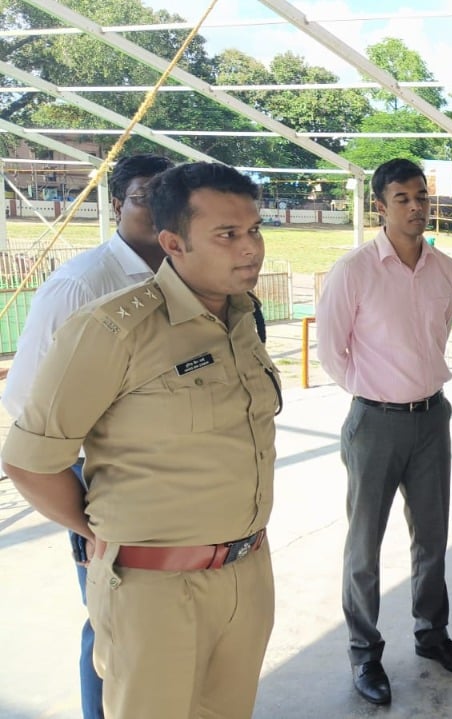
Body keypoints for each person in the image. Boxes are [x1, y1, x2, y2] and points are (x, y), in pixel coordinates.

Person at [2, 161, 280, 718]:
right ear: (173, 242)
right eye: (227, 234)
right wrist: (104, 535)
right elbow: (31, 461)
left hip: (247, 571)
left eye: (254, 230)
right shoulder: (112, 330)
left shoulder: (243, 317)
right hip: (154, 587)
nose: (250, 248)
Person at [1, 153, 173, 719]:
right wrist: (82, 506)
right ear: (118, 205)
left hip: (163, 473)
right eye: (145, 197)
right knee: (110, 622)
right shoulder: (81, 285)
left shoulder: (181, 276)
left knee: (163, 619)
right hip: (96, 477)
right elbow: (28, 404)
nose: (158, 209)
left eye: (169, 196)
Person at [317, 158, 452, 707]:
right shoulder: (354, 270)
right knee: (364, 546)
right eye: (402, 198)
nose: (415, 207)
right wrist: (375, 392)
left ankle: (432, 634)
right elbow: (331, 351)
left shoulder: (445, 269)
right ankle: (364, 651)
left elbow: (437, 337)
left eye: (421, 197)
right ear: (380, 206)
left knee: (432, 537)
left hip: (432, 418)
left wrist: (413, 390)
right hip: (375, 423)